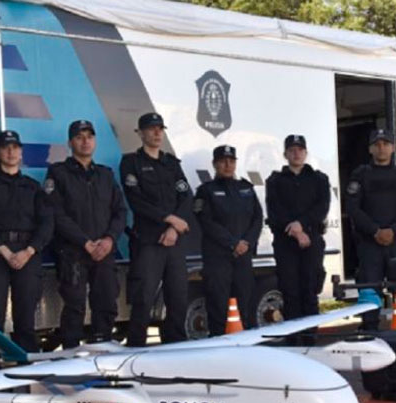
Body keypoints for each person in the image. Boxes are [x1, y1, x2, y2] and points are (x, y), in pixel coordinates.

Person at [0, 130, 53, 371]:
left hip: (28, 253)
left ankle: (25, 363)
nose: (11, 152)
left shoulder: (32, 187)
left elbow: (46, 223)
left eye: (15, 147)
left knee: (26, 312)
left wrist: (29, 251)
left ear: (21, 152)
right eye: (5, 148)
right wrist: (5, 251)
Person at [46, 120, 126, 347]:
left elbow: (120, 211)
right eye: (80, 137)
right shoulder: (58, 173)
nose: (85, 141)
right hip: (73, 252)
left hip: (104, 251)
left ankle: (103, 347)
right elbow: (56, 214)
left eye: (89, 137)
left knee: (106, 302)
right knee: (74, 305)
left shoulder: (105, 175)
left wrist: (110, 239)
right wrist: (85, 243)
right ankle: (71, 352)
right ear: (70, 143)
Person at [120, 113, 192, 346]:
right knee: (143, 297)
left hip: (174, 241)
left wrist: (173, 228)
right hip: (148, 242)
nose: (157, 133)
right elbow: (136, 201)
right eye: (151, 129)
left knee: (178, 297)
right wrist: (170, 218)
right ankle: (136, 347)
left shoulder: (171, 163)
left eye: (160, 128)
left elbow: (185, 197)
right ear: (140, 133)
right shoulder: (131, 162)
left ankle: (174, 345)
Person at [345, 129, 396, 331]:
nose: (381, 148)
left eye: (386, 144)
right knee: (369, 289)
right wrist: (375, 231)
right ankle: (369, 331)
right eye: (377, 144)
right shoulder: (360, 176)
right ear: (370, 148)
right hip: (370, 243)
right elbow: (352, 208)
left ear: (393, 147)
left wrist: (393, 230)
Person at [194, 145, 263, 335]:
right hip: (218, 258)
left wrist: (246, 243)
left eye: (231, 161)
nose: (227, 165)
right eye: (223, 161)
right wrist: (232, 243)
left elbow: (258, 218)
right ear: (215, 164)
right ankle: (218, 343)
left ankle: (247, 341)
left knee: (245, 302)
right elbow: (206, 222)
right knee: (218, 303)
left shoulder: (246, 188)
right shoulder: (206, 191)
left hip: (243, 256)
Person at [265, 135, 330, 332]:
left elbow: (322, 207)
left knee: (310, 291)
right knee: (290, 292)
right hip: (286, 243)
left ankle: (311, 338)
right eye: (292, 150)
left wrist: (301, 225)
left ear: (306, 153)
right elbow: (274, 211)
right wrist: (294, 230)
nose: (296, 153)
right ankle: (294, 339)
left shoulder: (319, 179)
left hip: (312, 240)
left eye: (300, 149)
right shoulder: (275, 180)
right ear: (285, 154)